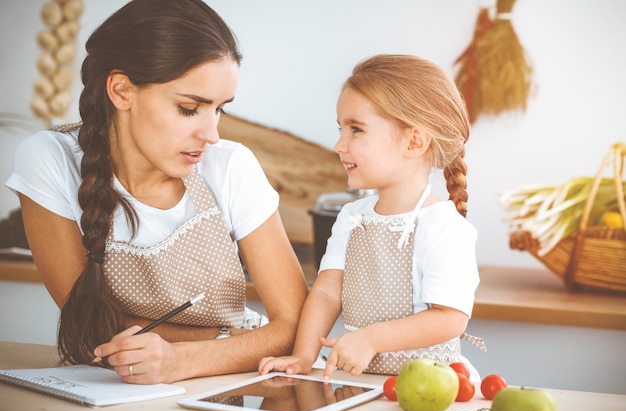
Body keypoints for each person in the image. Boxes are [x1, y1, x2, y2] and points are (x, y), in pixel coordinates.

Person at [5, 0, 308, 384]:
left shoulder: (230, 166)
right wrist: (233, 340)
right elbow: (88, 325)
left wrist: (183, 359)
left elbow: (296, 326)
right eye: (188, 108)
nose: (211, 134)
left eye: (219, 110)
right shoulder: (49, 159)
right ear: (121, 90)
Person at [259, 54, 485, 382]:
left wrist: (371, 339)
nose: (339, 145)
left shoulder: (444, 227)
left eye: (356, 129)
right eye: (341, 129)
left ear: (415, 142)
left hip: (430, 388)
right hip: (363, 383)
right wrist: (303, 355)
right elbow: (325, 293)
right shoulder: (351, 218)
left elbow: (449, 319)